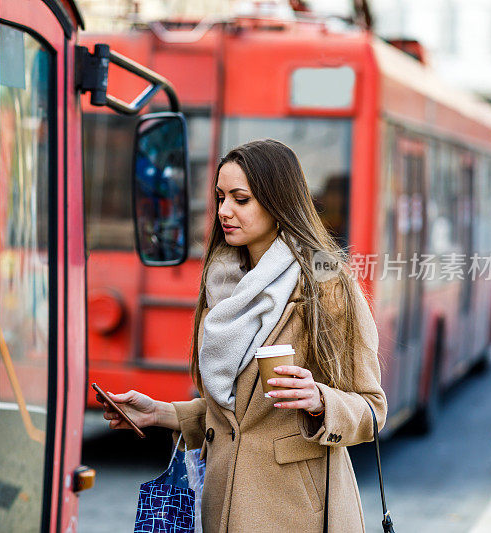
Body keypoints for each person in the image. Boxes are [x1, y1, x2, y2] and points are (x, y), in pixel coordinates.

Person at [98, 139, 387, 532]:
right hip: (222, 510)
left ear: (277, 201)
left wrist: (321, 399)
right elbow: (235, 419)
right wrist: (160, 413)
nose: (224, 211)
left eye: (241, 199)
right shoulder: (222, 281)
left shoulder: (326, 281)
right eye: (220, 197)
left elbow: (372, 409)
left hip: (297, 514)